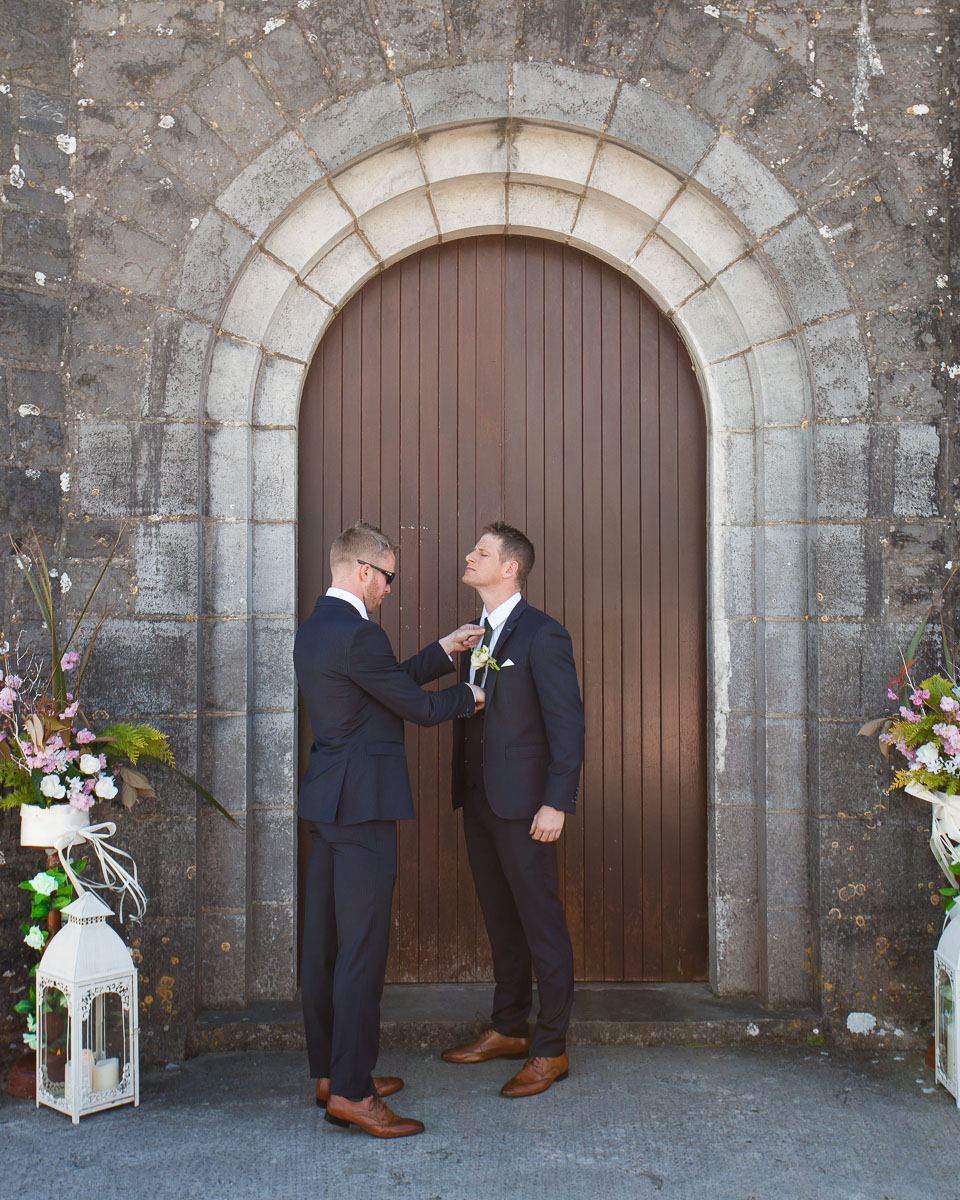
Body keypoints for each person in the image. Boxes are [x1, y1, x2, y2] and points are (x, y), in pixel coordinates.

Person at [294, 521, 484, 1138]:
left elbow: (377, 688)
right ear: (363, 572)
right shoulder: (359, 634)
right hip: (364, 809)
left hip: (329, 805)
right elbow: (417, 707)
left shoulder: (318, 628)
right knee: (361, 952)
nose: (388, 591)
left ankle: (331, 1071)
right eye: (388, 579)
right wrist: (470, 698)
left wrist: (441, 650)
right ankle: (352, 1091)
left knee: (324, 946)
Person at [442, 522, 585, 1097]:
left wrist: (557, 802)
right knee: (501, 920)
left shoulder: (543, 636)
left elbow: (567, 727)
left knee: (540, 923)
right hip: (479, 801)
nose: (469, 556)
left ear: (512, 569)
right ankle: (508, 1028)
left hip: (526, 807)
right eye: (472, 547)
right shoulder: (477, 635)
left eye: (482, 552)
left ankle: (550, 1048)